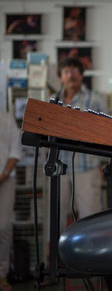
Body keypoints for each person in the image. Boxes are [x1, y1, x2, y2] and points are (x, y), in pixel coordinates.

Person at [45, 57, 103, 251]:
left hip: (87, 167)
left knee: (90, 217)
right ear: (61, 76)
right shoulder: (52, 101)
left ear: (81, 75)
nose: (70, 75)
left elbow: (105, 133)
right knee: (54, 216)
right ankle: (52, 263)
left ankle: (92, 265)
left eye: (74, 71)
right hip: (58, 168)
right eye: (66, 72)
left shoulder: (94, 99)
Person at [0, 112, 22, 291]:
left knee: (3, 227)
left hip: (5, 180)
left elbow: (15, 151)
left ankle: (1, 275)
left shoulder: (6, 118)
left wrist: (4, 175)